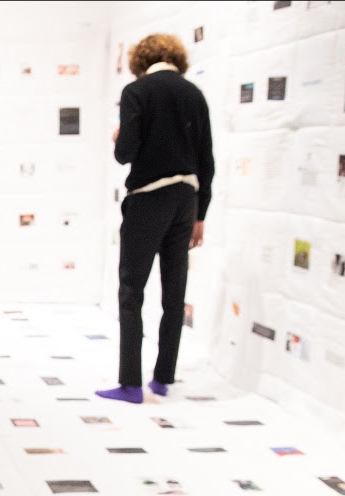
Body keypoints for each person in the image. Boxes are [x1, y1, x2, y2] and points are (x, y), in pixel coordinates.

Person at [96, 34, 214, 404]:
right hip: (186, 201)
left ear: (140, 60)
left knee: (132, 291)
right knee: (174, 293)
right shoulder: (195, 94)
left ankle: (130, 384)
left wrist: (118, 136)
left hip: (149, 198)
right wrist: (201, 215)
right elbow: (207, 160)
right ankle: (163, 378)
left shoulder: (137, 91)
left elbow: (125, 152)